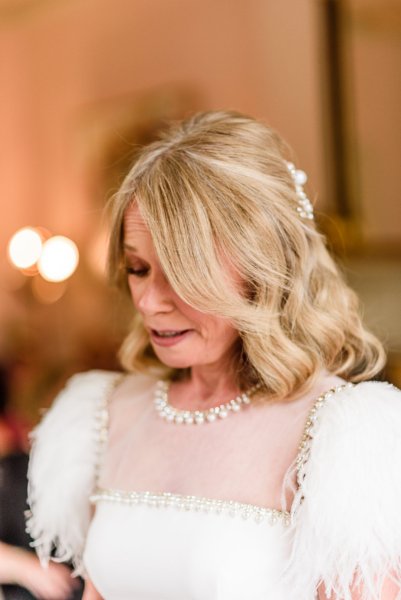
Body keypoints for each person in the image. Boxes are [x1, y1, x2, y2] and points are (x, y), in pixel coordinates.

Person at [27, 111, 401, 600]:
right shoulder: (107, 412)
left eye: (180, 273)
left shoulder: (339, 438)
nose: (147, 301)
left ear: (262, 270)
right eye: (138, 268)